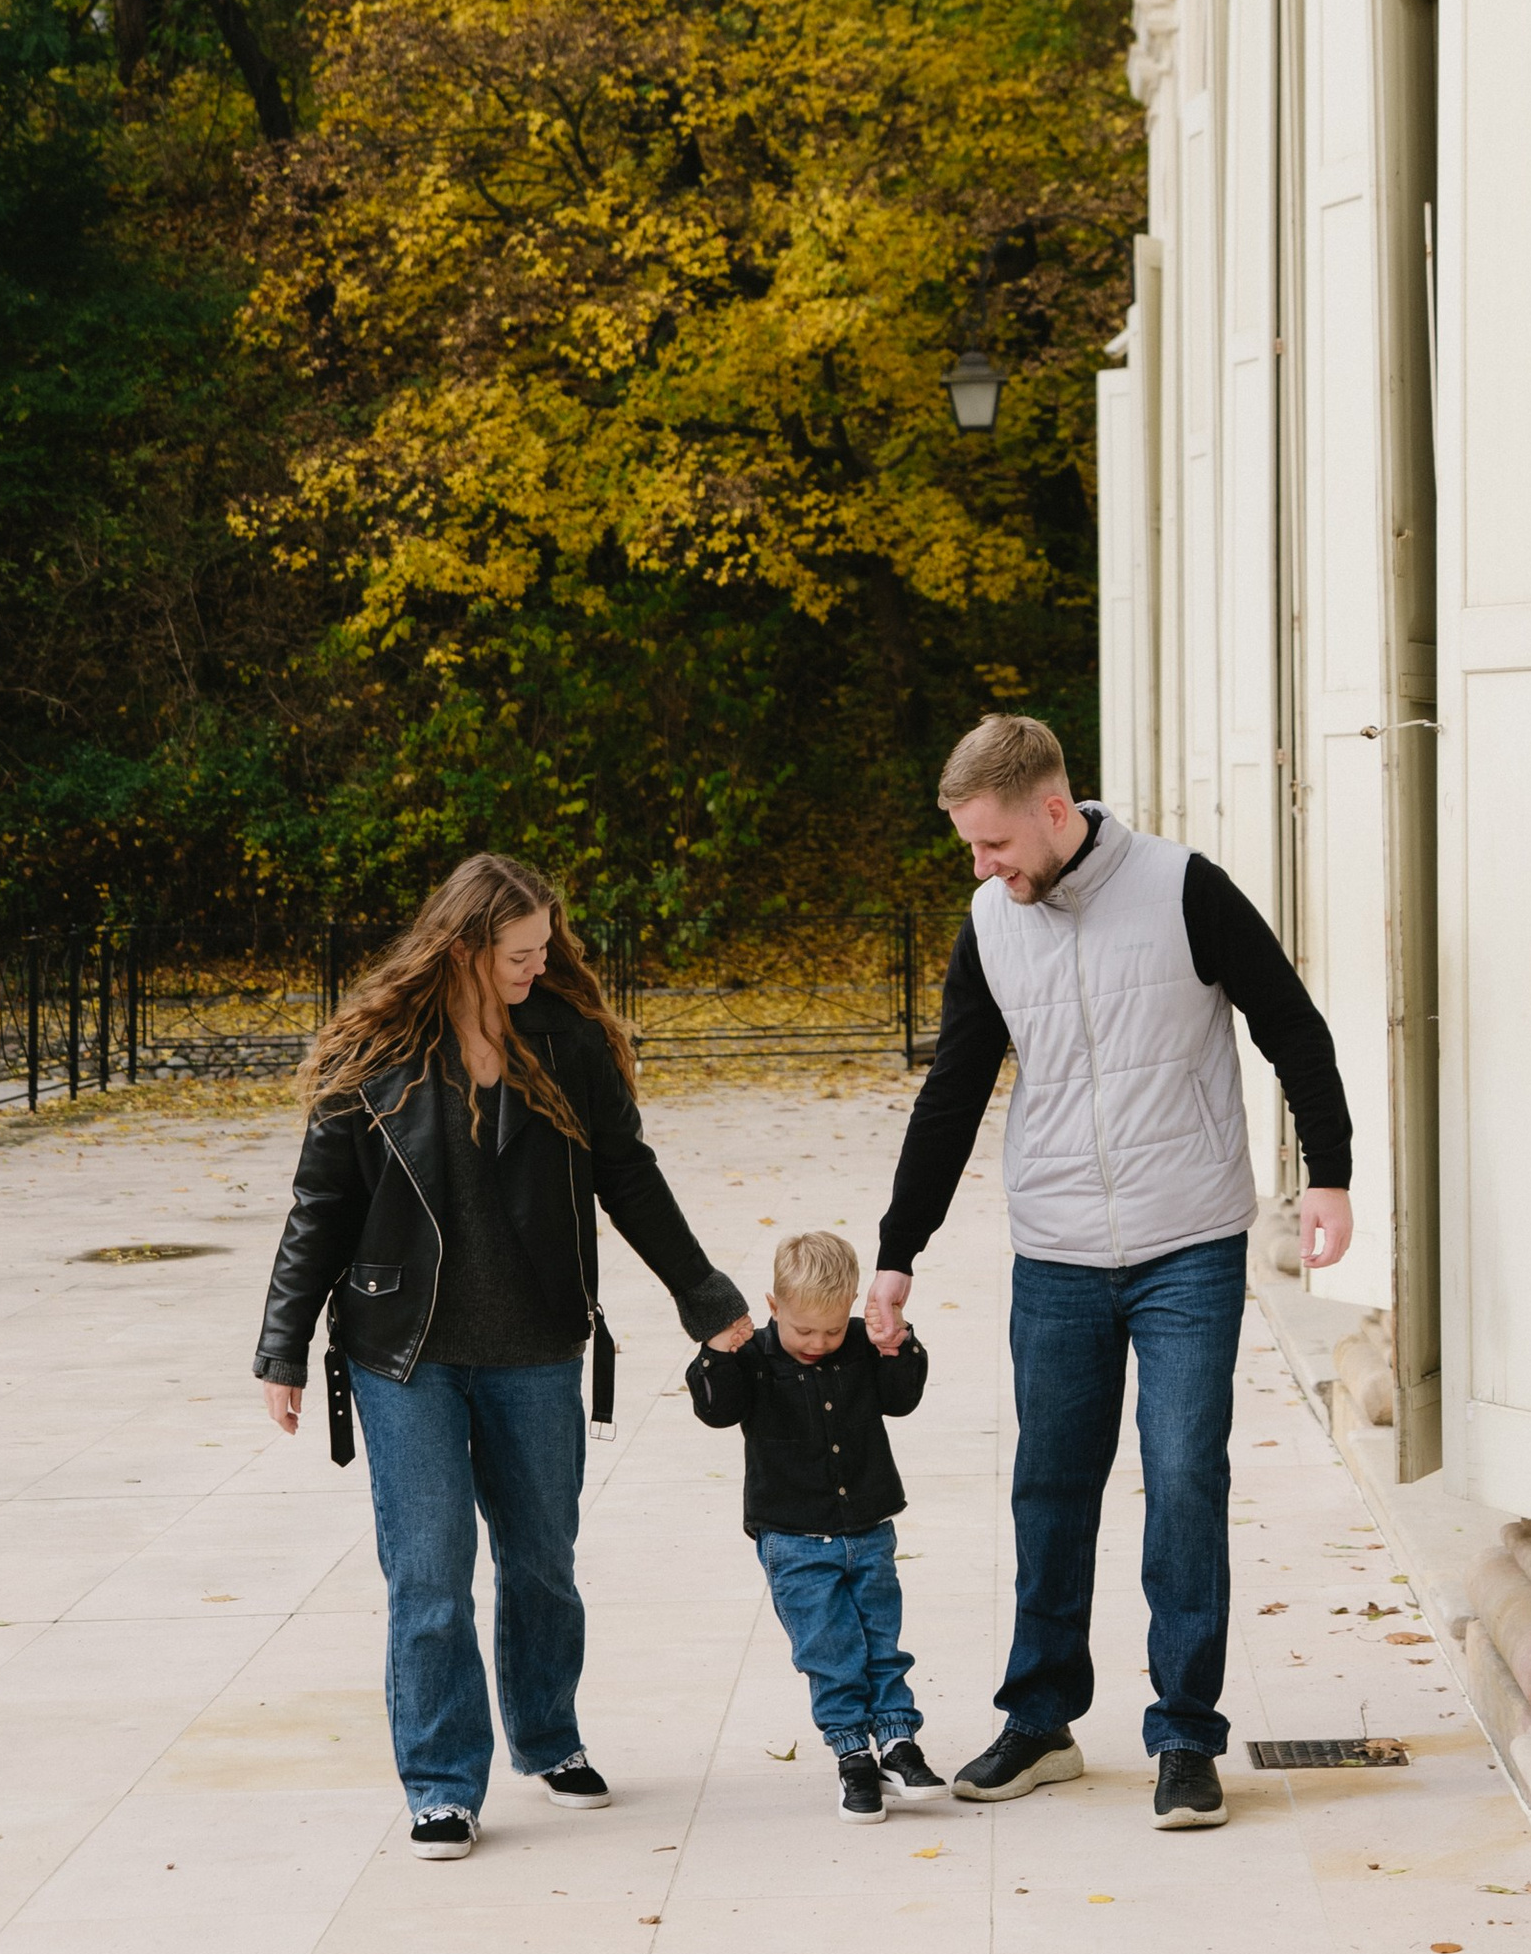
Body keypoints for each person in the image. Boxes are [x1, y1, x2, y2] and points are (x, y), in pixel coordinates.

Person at [865, 714, 1354, 1833]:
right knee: (1050, 1483)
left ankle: (1185, 1732)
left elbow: (1290, 1025)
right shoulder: (993, 921)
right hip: (1057, 1252)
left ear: (1052, 807)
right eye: (967, 851)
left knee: (1184, 1476)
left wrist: (1327, 1170)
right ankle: (1039, 1720)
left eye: (990, 844)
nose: (979, 869)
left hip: (1188, 1239)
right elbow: (951, 1091)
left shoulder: (1186, 889)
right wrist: (899, 1249)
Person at [252, 853, 751, 1857]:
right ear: (465, 944)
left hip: (536, 1347)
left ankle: (547, 1735)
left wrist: (706, 1297)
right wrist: (283, 1344)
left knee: (542, 1564)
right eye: (519, 952)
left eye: (543, 948)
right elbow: (321, 1208)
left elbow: (629, 1175)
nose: (538, 965)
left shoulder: (564, 1041)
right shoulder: (375, 1049)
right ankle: (441, 1782)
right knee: (430, 1573)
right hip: (406, 1354)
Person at [688, 1226, 945, 1822]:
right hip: (793, 1539)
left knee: (881, 1641)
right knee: (830, 1650)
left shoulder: (860, 1344)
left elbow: (901, 1398)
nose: (819, 1342)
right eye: (804, 1329)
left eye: (832, 1329)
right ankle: (853, 1753)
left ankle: (898, 1741)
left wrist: (896, 1345)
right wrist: (717, 1351)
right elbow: (716, 1410)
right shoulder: (751, 1356)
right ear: (774, 1306)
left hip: (869, 1529)